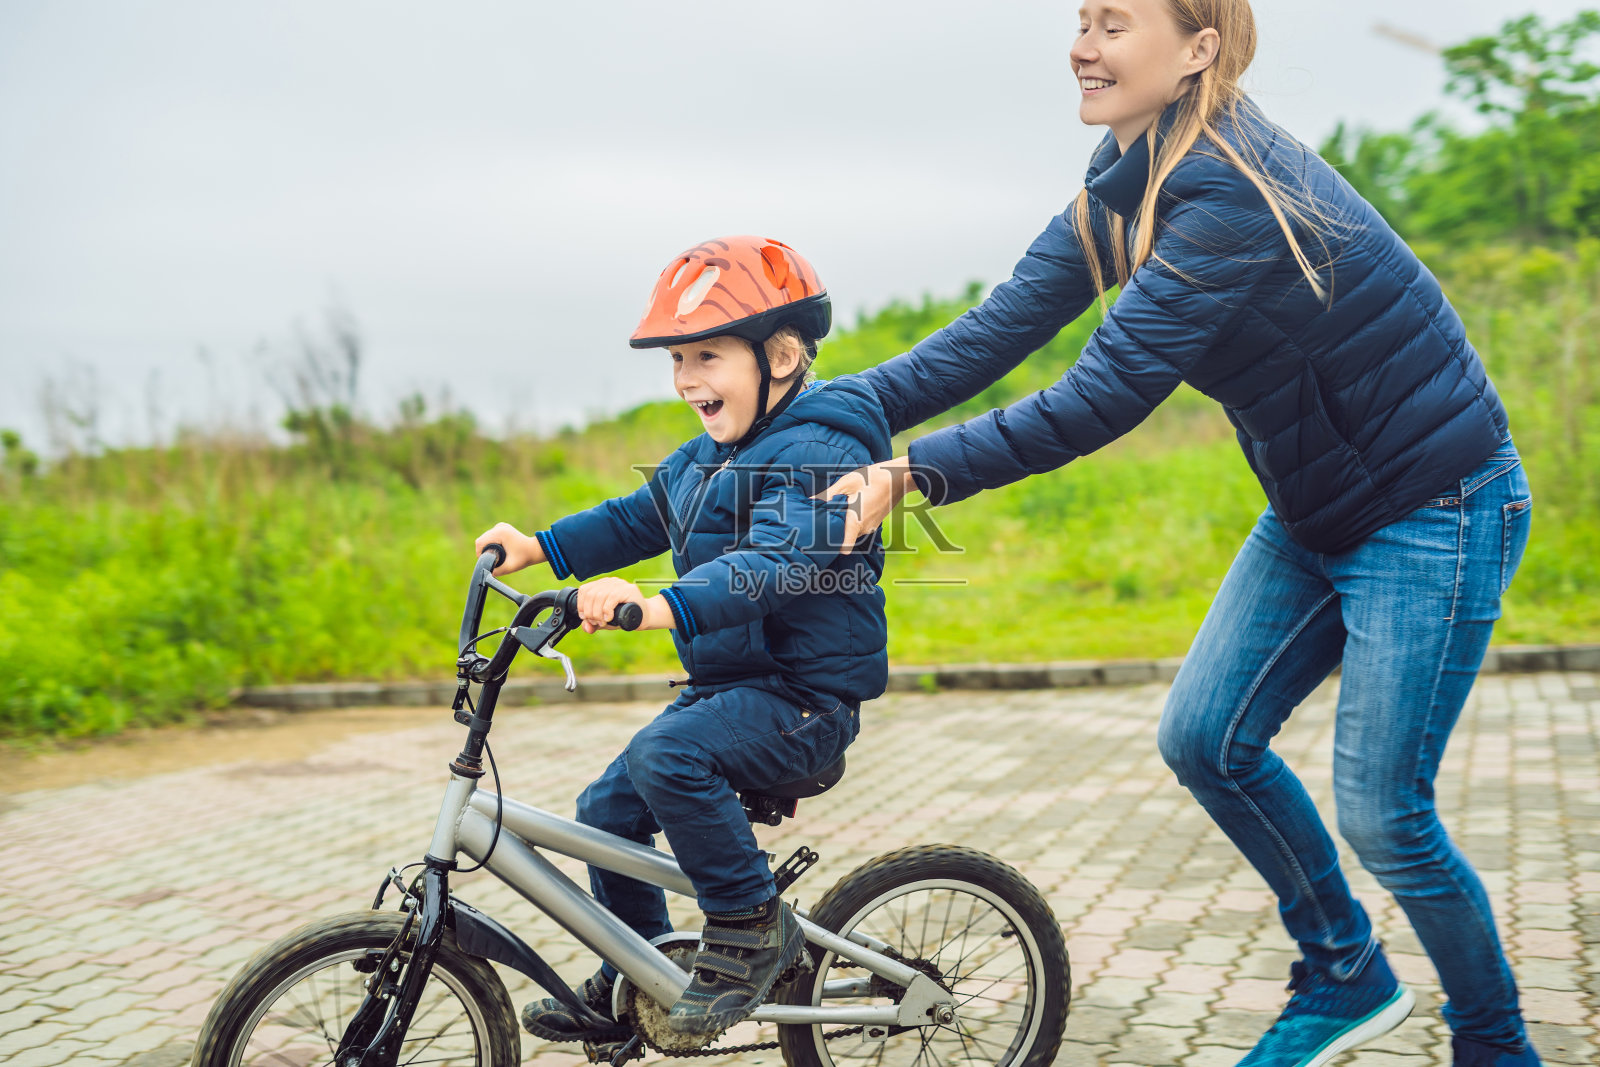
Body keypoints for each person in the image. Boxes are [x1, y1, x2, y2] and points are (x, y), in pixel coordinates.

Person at [819, 2, 1539, 1065]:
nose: (1083, 45)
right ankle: (1345, 972)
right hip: (1316, 507)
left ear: (1198, 49)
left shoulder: (1233, 194)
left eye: (1115, 24)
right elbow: (991, 333)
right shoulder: (1124, 188)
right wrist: (810, 415)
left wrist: (913, 470)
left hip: (1437, 502)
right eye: (1080, 20)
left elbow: (1100, 394)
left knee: (1383, 809)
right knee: (1205, 736)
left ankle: (1497, 1043)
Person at [475, 235, 891, 1042]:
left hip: (804, 700)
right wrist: (538, 547)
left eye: (707, 355)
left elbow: (772, 564)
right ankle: (641, 968)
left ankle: (748, 926)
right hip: (733, 690)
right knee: (605, 809)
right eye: (677, 359)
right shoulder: (705, 457)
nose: (688, 378)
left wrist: (653, 605)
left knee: (671, 757)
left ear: (780, 355)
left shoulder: (819, 451)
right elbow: (633, 518)